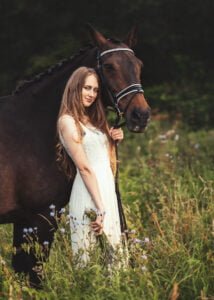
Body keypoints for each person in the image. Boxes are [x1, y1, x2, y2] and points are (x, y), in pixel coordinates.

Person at [56, 66, 124, 264]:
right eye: (87, 88)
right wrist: (99, 207)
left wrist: (113, 140)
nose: (92, 94)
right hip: (89, 194)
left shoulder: (93, 120)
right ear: (75, 88)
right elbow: (85, 167)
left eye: (95, 90)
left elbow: (102, 158)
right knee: (90, 261)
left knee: (113, 259)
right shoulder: (67, 121)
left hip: (106, 191)